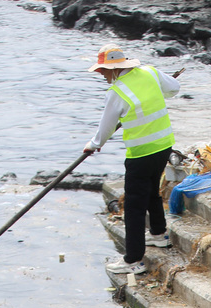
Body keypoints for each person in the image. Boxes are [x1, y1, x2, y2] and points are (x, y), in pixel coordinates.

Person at [84, 45, 180, 276]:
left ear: (114, 69)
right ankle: (159, 234)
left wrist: (94, 145)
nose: (102, 75)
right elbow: (174, 88)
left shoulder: (116, 92)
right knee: (152, 191)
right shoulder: (150, 72)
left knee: (134, 206)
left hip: (141, 153)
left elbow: (106, 127)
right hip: (164, 145)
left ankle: (133, 260)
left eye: (103, 70)